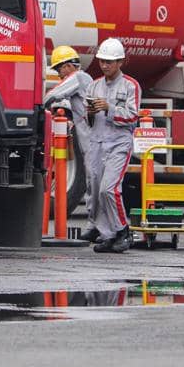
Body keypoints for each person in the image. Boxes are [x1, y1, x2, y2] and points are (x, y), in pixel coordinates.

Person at [85, 37, 140, 253]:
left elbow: (132, 117)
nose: (105, 65)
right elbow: (88, 121)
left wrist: (109, 109)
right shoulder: (93, 85)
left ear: (120, 62)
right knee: (98, 191)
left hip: (119, 142)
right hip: (98, 142)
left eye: (109, 62)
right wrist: (91, 112)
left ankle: (123, 230)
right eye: (102, 61)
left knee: (110, 189)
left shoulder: (130, 86)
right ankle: (107, 234)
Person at [43, 45, 99, 243]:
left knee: (96, 184)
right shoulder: (86, 81)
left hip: (93, 144)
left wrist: (38, 107)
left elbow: (54, 94)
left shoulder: (78, 78)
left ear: (68, 66)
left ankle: (98, 228)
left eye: (59, 69)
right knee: (94, 185)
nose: (59, 74)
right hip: (92, 142)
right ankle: (96, 227)